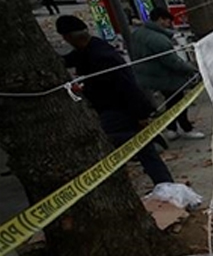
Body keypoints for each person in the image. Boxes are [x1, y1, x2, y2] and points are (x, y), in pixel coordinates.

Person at [57, 15, 175, 187]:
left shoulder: (102, 56)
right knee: (144, 150)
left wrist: (141, 113)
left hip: (118, 109)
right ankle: (164, 182)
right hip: (112, 107)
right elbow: (71, 59)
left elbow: (128, 86)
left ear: (67, 38)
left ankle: (161, 181)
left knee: (115, 142)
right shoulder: (91, 48)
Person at [130, 8, 205, 140]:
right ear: (160, 20)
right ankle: (185, 128)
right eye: (168, 21)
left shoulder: (137, 34)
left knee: (171, 102)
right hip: (165, 77)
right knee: (179, 102)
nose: (169, 24)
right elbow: (173, 62)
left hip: (149, 75)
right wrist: (191, 69)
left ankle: (172, 128)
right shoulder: (159, 39)